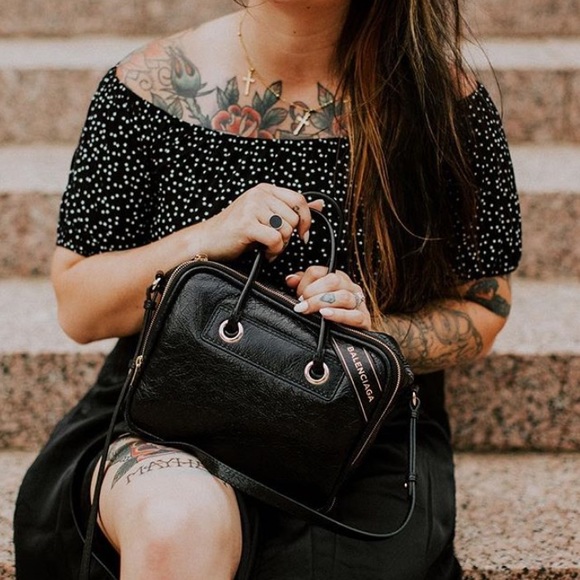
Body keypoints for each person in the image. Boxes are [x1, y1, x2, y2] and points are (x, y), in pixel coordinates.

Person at [14, 0, 521, 578]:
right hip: (171, 408)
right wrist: (205, 238)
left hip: (356, 429)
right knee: (176, 521)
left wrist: (373, 330)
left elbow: (483, 305)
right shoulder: (147, 88)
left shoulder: (444, 104)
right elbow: (79, 307)